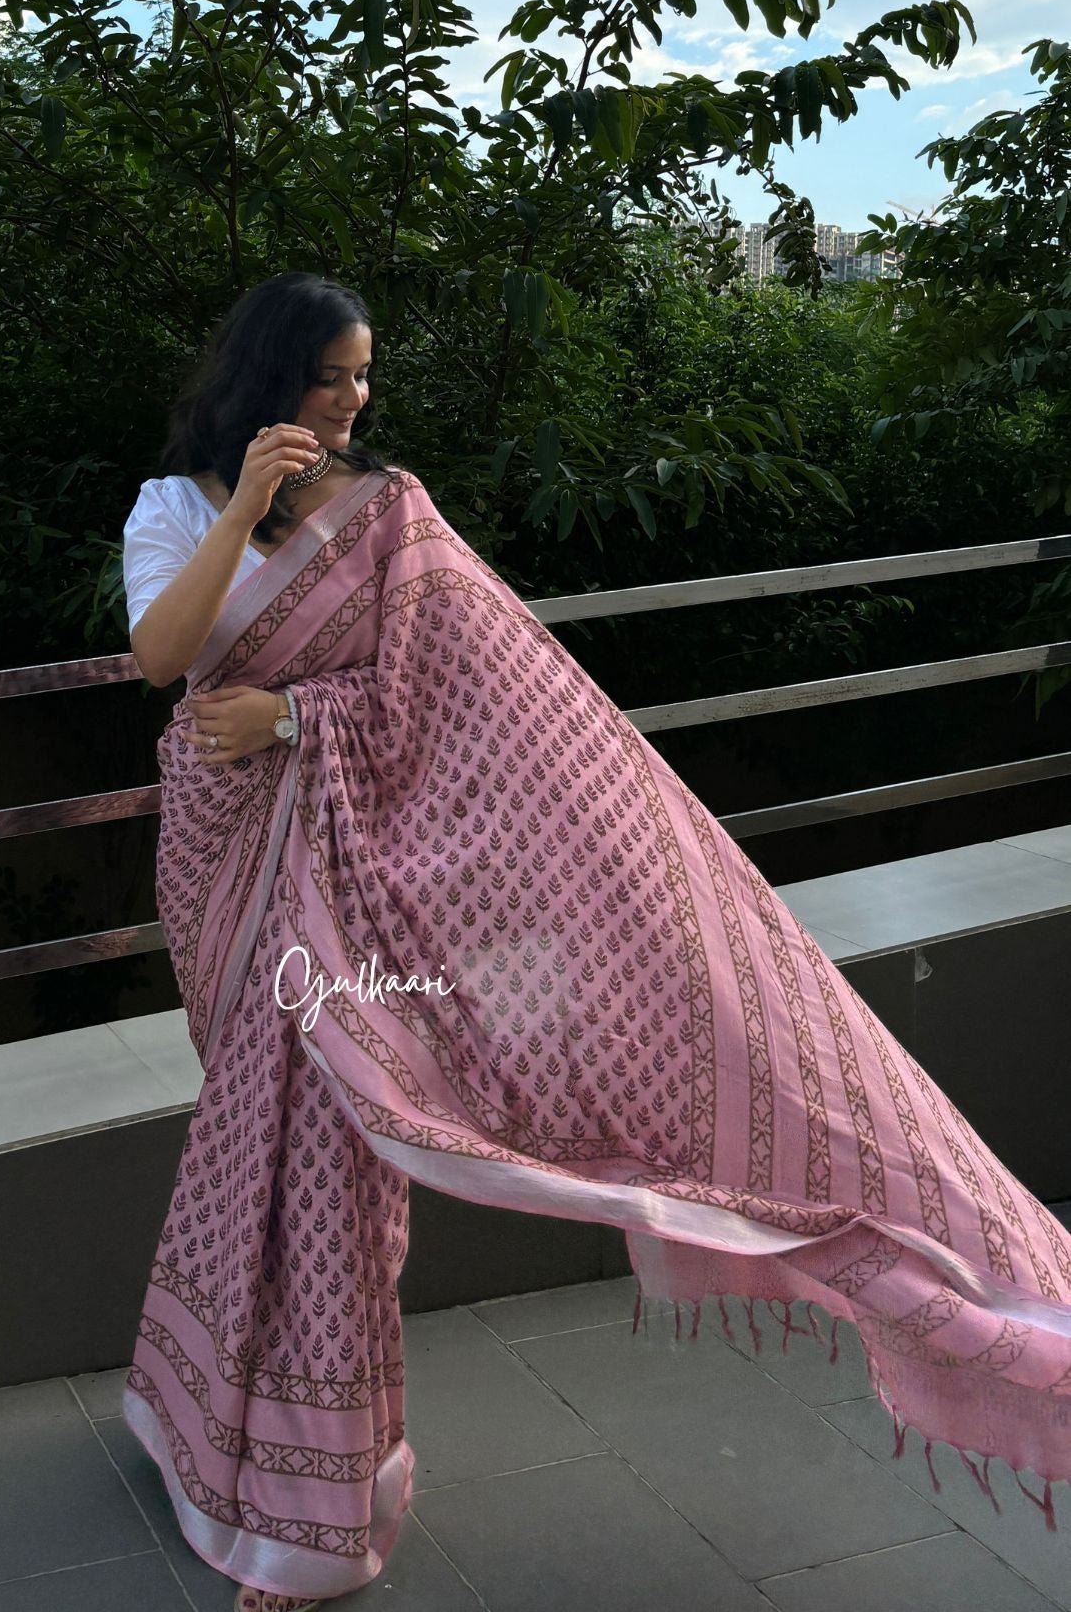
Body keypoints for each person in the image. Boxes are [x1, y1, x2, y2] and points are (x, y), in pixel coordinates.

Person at [120, 271, 1071, 1612]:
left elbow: (476, 707)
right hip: (232, 863)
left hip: (361, 882)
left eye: (361, 377)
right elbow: (161, 657)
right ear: (261, 378)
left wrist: (296, 724)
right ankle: (194, 1424)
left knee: (331, 1176)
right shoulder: (170, 509)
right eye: (326, 376)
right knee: (247, 1141)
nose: (348, 402)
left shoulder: (390, 519)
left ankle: (308, 1519)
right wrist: (234, 517)